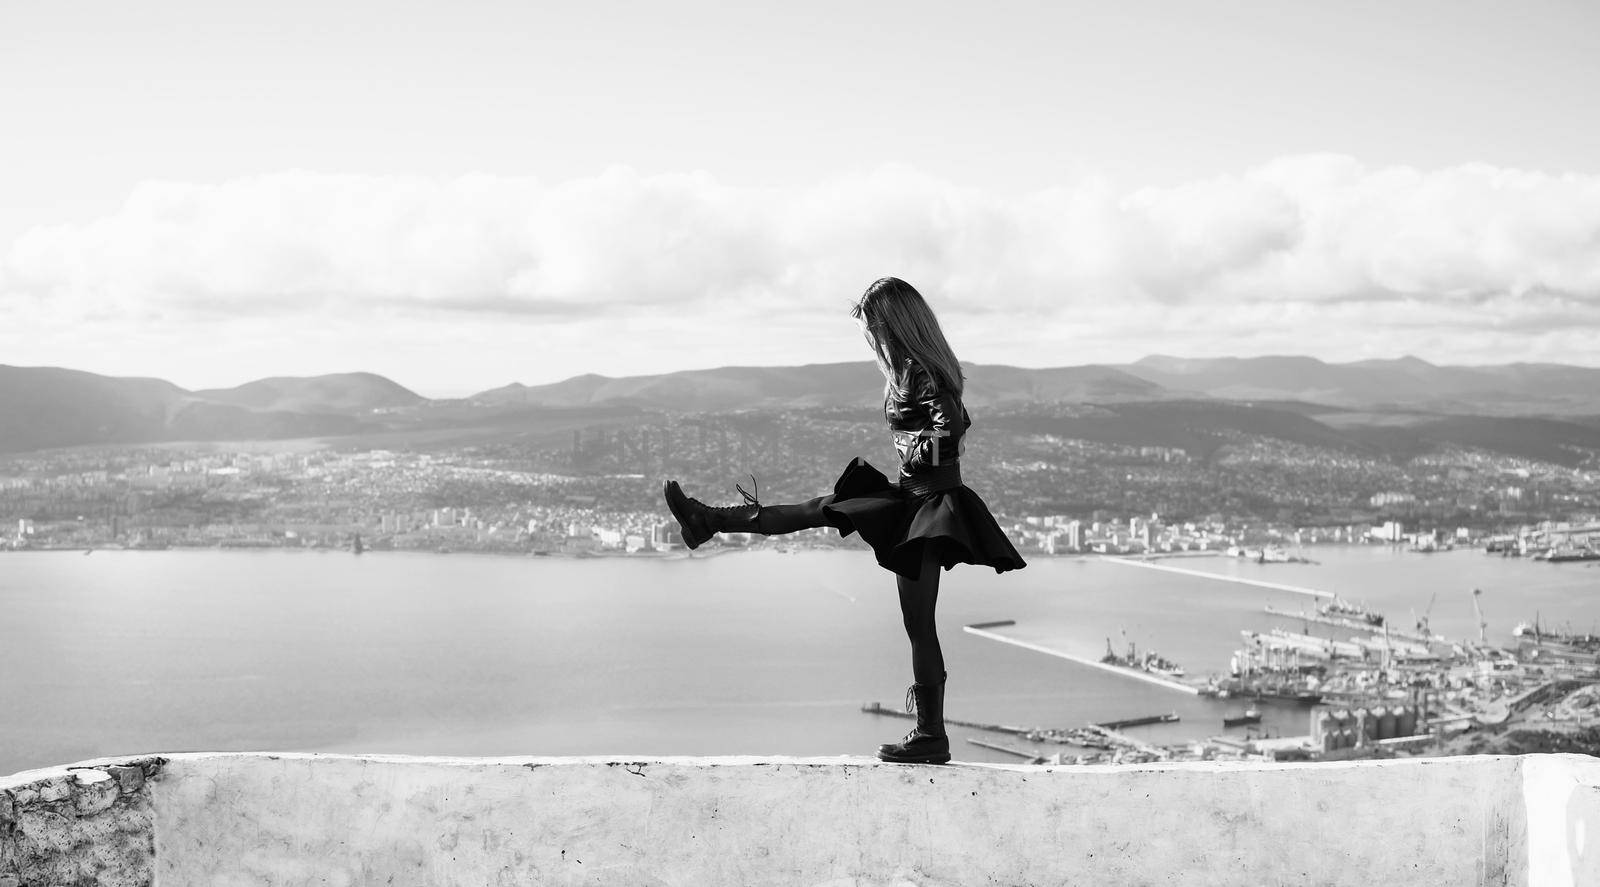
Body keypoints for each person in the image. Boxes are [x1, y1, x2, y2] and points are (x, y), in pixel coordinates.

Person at [661, 277, 1027, 764]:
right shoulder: (913, 371)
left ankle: (931, 734)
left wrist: (920, 455)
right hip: (913, 497)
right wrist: (920, 458)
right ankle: (708, 520)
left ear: (896, 324)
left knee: (919, 624)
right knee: (823, 509)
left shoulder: (922, 372)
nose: (870, 336)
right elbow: (950, 427)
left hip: (930, 506)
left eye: (874, 326)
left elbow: (951, 426)